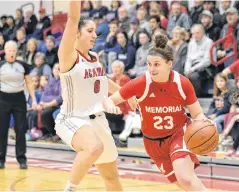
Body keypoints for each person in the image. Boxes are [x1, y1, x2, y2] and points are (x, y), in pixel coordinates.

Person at [103, 34, 209, 191]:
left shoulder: (182, 83)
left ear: (169, 64)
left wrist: (204, 122)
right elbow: (110, 99)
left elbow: (197, 114)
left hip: (178, 134)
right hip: (153, 142)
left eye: (157, 64)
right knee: (182, 183)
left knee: (185, 177)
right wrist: (110, 105)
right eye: (149, 64)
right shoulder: (141, 82)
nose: (152, 69)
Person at [54, 1, 136, 192]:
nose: (94, 35)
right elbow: (73, 17)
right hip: (73, 118)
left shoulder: (94, 58)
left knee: (111, 177)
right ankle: (70, 189)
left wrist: (125, 94)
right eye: (90, 31)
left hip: (98, 120)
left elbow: (103, 81)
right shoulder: (68, 56)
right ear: (76, 33)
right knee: (93, 148)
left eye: (95, 31)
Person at [0, 40, 37, 169]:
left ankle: (21, 159)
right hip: (3, 99)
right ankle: (1, 159)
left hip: (19, 98)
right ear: (5, 51)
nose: (11, 53)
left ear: (16, 52)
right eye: (9, 50)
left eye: (13, 50)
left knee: (20, 129)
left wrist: (34, 100)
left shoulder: (22, 65)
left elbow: (29, 83)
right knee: (2, 130)